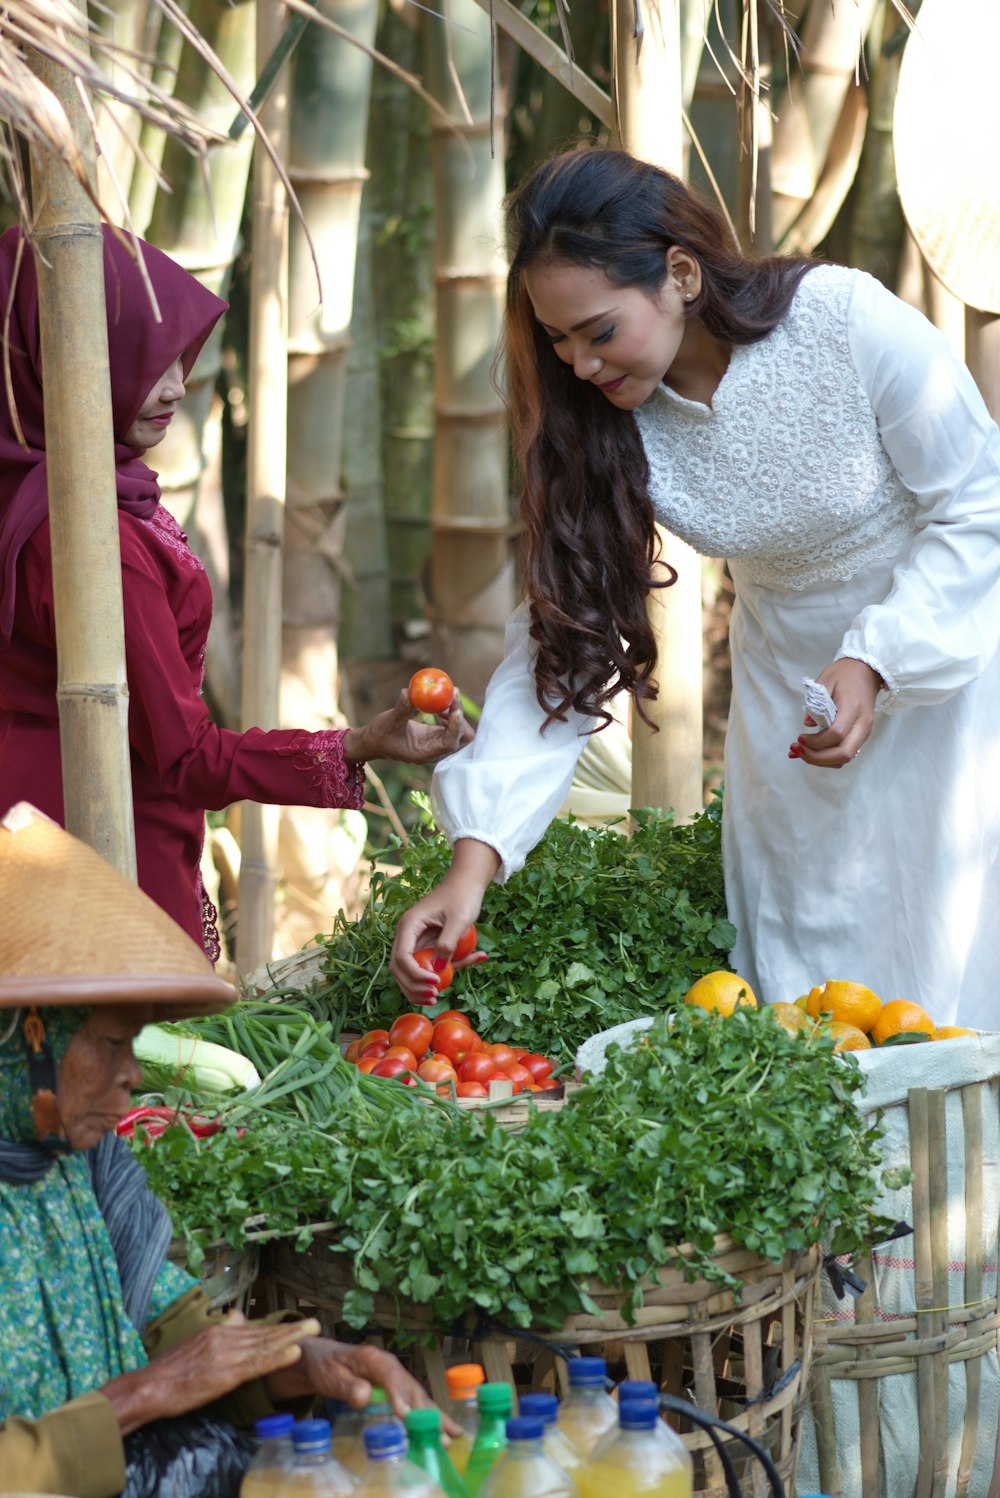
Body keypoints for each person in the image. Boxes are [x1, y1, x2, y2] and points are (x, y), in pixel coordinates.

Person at [389, 145, 1000, 1028]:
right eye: (558, 341)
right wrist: (471, 862)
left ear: (679, 273)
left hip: (950, 660)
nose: (581, 366)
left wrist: (876, 657)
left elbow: (979, 506)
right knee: (811, 983)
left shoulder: (846, 320)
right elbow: (567, 638)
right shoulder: (604, 424)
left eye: (599, 331)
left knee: (954, 957)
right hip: (789, 701)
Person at [0, 226, 472, 961]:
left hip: (37, 833)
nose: (177, 387)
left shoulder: (35, 486)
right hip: (98, 845)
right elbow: (185, 758)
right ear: (65, 364)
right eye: (144, 361)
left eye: (178, 360)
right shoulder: (91, 541)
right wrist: (356, 745)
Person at [0, 801, 450, 1497]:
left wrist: (302, 1363)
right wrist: (145, 1394)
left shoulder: (72, 1169)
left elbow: (166, 1324)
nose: (132, 1074)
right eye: (112, 1044)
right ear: (26, 1045)